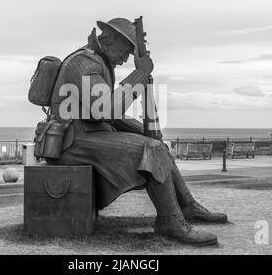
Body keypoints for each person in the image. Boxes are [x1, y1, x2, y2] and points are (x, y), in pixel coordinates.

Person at [48, 17, 227, 246]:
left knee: (156, 144)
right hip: (73, 142)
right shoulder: (83, 63)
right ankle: (169, 221)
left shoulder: (99, 63)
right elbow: (105, 110)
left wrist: (142, 129)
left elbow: (99, 112)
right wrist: (140, 74)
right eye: (126, 51)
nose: (126, 59)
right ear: (110, 40)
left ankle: (187, 205)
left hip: (90, 133)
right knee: (151, 148)